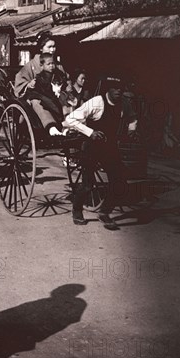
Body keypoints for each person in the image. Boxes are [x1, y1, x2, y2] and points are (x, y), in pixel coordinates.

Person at [63, 76, 137, 230]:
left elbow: (132, 118)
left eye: (121, 88)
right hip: (92, 147)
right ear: (108, 89)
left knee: (119, 182)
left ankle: (105, 212)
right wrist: (90, 132)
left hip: (110, 147)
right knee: (88, 184)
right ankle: (77, 210)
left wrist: (131, 130)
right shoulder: (97, 102)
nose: (118, 91)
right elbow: (70, 119)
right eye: (115, 88)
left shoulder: (124, 103)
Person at [24, 53, 66, 136]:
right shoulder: (40, 78)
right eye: (48, 64)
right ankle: (51, 127)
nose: (51, 66)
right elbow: (33, 92)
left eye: (53, 63)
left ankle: (66, 127)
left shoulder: (59, 75)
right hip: (44, 100)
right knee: (37, 102)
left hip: (56, 100)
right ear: (42, 65)